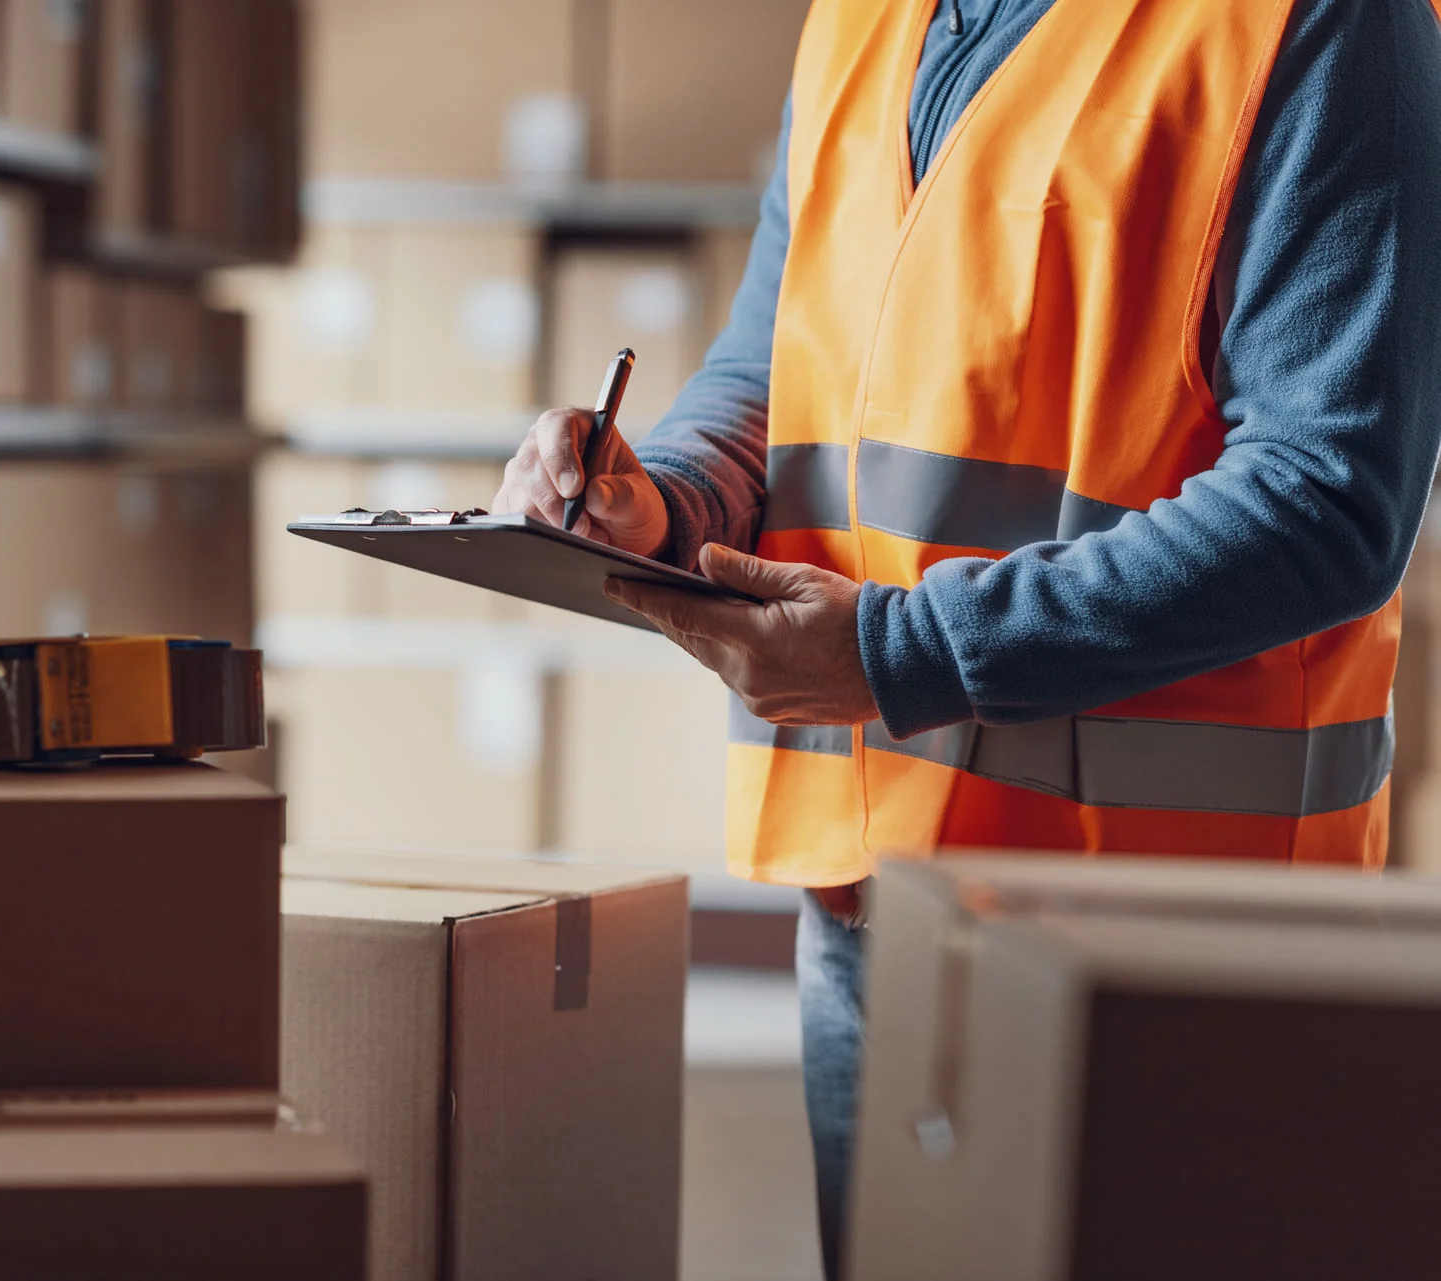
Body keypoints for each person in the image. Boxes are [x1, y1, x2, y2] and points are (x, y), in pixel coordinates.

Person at [493, 1, 1441, 1276]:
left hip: (1169, 953)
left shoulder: (1318, 23)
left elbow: (1328, 497)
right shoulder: (861, 18)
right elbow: (771, 364)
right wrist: (661, 496)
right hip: (873, 914)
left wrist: (900, 653)